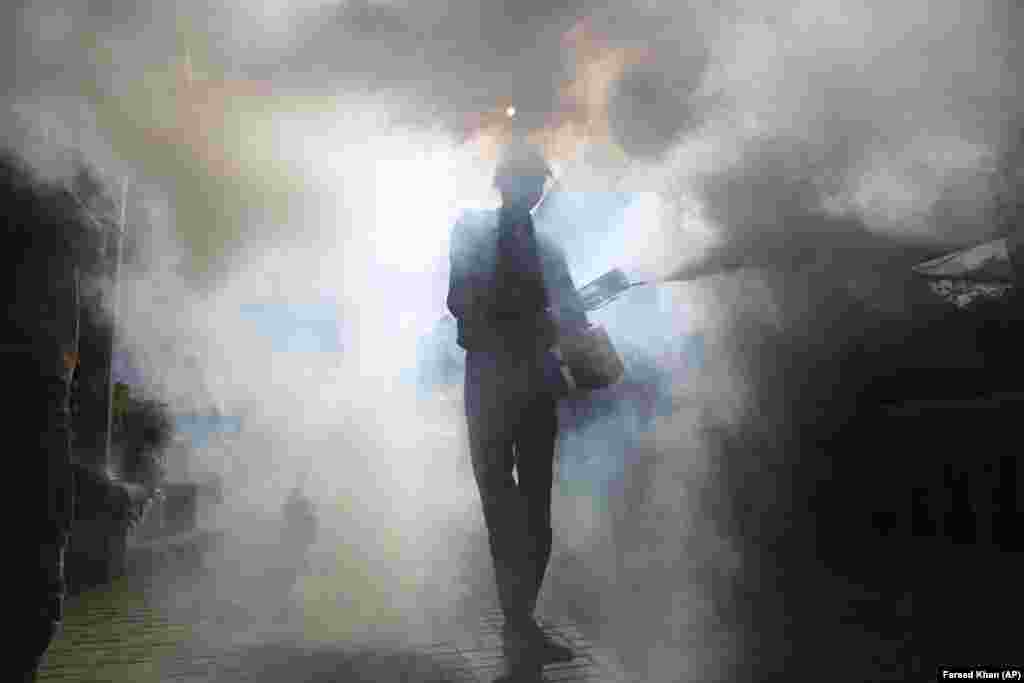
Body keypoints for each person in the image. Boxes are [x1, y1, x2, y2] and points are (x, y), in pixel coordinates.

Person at [447, 139, 588, 679]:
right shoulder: (471, 230)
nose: (530, 192)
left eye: (536, 184)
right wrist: (530, 322)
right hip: (491, 384)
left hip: (529, 388)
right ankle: (519, 627)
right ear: (505, 184)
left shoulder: (547, 248)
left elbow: (571, 310)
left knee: (536, 516)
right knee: (504, 513)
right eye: (525, 181)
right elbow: (460, 301)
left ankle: (521, 624)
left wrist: (575, 323)